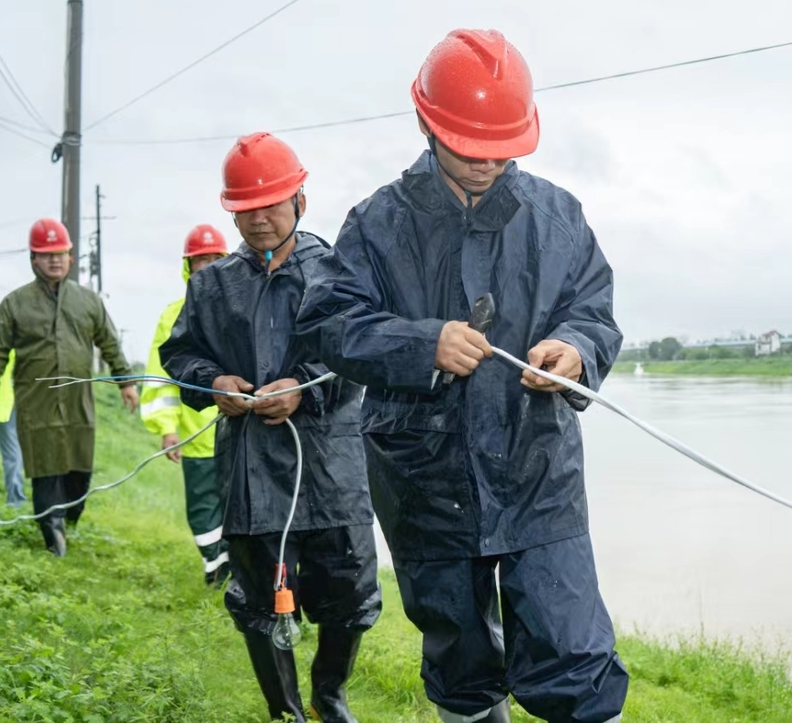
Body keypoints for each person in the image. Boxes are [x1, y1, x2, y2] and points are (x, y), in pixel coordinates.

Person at [296, 29, 628, 723]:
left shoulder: (559, 215)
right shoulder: (375, 223)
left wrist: (575, 349)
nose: (486, 163)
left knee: (574, 650)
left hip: (538, 469)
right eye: (468, 147)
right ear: (427, 123)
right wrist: (421, 343)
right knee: (460, 652)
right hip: (424, 479)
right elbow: (329, 325)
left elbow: (592, 310)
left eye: (502, 149)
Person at [159, 132, 381, 723]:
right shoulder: (210, 285)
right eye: (244, 210)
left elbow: (359, 351)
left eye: (271, 206)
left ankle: (329, 693)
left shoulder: (340, 272)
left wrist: (303, 385)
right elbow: (179, 355)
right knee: (259, 600)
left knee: (349, 596)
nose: (258, 220)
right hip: (252, 472)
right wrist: (214, 384)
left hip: (331, 464)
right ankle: (285, 711)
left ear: (300, 202)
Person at [0, 218, 138, 557]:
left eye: (61, 253)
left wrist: (126, 382)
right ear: (34, 259)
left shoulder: (88, 301)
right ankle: (53, 533)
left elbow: (109, 343)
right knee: (45, 465)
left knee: (80, 466)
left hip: (79, 399)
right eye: (47, 254)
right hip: (36, 399)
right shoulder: (15, 304)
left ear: (70, 256)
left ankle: (69, 516)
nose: (55, 260)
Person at [140, 224, 230, 586]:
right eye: (199, 261)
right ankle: (216, 566)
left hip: (241, 433)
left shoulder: (244, 307)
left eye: (214, 259)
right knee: (203, 508)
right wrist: (167, 428)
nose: (206, 267)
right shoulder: (172, 315)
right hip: (195, 435)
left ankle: (240, 569)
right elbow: (159, 377)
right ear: (188, 267)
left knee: (243, 505)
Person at [0, 350, 26, 508]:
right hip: (20, 403)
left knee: (12, 455)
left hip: (10, 405)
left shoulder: (8, 347)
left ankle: (16, 501)